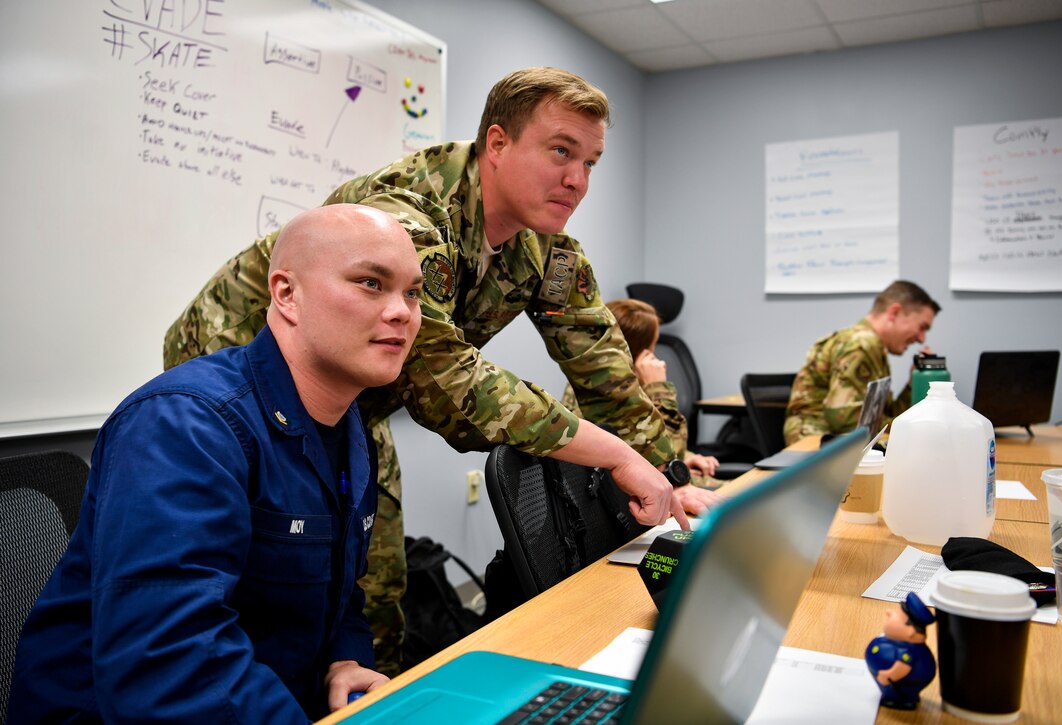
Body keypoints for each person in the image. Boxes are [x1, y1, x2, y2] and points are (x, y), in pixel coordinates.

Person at [163, 66, 721, 674]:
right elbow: (443, 384)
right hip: (240, 381)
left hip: (351, 405)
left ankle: (366, 699)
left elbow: (605, 370)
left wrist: (666, 476)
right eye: (561, 151)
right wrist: (613, 455)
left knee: (375, 590)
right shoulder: (409, 210)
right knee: (268, 588)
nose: (577, 180)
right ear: (498, 143)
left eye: (591, 162)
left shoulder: (548, 250)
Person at [8, 204, 423, 722]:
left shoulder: (349, 426)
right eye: (370, 283)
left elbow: (340, 594)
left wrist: (347, 659)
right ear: (286, 294)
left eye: (412, 292)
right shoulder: (185, 425)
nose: (402, 312)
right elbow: (168, 665)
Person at [561, 298, 720, 480]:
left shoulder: (593, 381)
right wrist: (658, 389)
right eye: (653, 346)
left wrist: (689, 458)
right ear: (634, 350)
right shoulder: (612, 396)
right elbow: (665, 462)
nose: (654, 355)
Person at [784, 280, 940, 445]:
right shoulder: (862, 343)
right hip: (814, 447)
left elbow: (879, 417)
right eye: (922, 327)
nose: (922, 339)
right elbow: (845, 418)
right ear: (894, 312)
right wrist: (910, 428)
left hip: (835, 445)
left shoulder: (873, 347)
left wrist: (912, 383)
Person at [864, 592, 937, 710]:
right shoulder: (893, 642)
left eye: (898, 616)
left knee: (904, 690)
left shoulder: (907, 652)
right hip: (899, 684)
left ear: (911, 632)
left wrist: (888, 675)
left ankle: (901, 699)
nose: (889, 612)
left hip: (899, 684)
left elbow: (902, 667)